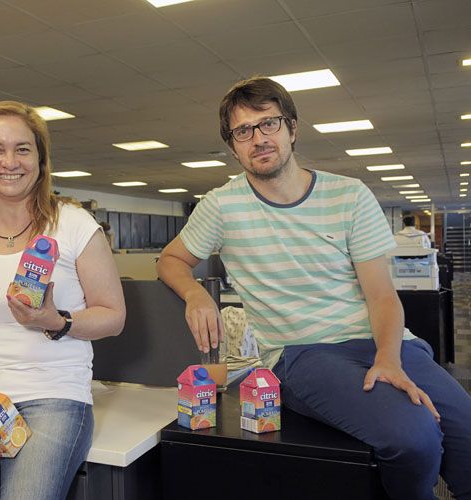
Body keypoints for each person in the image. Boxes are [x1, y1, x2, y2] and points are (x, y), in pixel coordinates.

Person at [157, 76, 471, 500]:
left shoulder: (349, 196)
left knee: (465, 428)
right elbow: (171, 260)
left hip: (385, 341)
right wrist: (196, 293)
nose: (258, 138)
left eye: (268, 124)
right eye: (243, 131)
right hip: (301, 353)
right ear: (233, 146)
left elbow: (382, 295)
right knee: (413, 437)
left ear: (292, 128)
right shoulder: (221, 206)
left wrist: (388, 359)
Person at [0, 101, 125, 500]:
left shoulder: (73, 224)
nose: (9, 161)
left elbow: (114, 316)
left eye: (22, 149)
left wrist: (57, 321)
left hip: (54, 396)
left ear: (40, 158)